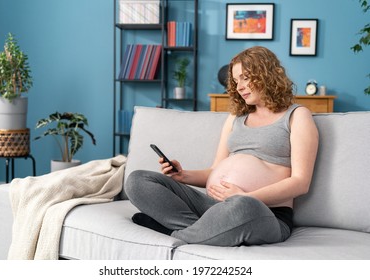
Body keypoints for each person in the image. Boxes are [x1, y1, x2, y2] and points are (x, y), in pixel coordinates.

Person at [124, 46, 319, 246]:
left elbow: (300, 182)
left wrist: (245, 196)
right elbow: (215, 170)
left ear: (266, 74)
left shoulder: (296, 116)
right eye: (235, 81)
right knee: (138, 180)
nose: (239, 86)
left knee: (242, 206)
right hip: (213, 206)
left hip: (263, 211)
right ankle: (202, 230)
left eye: (245, 77)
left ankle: (175, 233)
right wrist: (183, 175)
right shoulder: (236, 117)